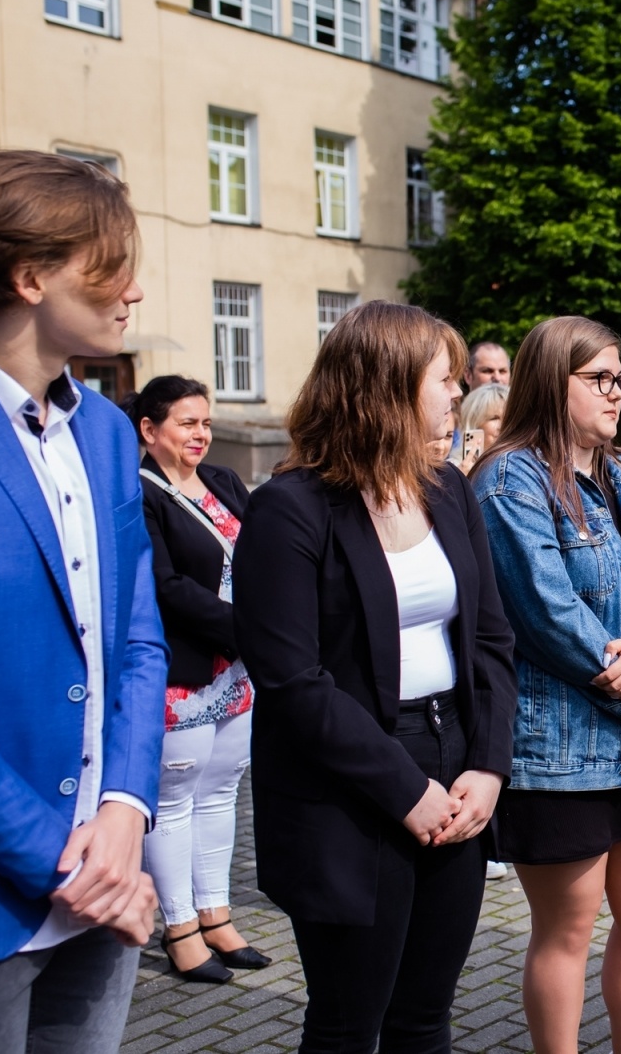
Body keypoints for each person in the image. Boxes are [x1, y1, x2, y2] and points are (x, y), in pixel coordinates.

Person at [232, 300, 518, 1053]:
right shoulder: (289, 509)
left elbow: (490, 638)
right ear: (383, 388)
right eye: (444, 379)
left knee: (426, 1019)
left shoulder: (448, 489)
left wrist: (488, 765)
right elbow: (293, 681)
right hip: (349, 789)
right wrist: (404, 790)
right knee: (347, 1025)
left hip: (454, 767)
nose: (459, 395)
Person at [470, 316, 621, 1054]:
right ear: (550, 379)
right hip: (559, 747)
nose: (615, 392)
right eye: (598, 378)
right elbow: (545, 611)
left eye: (619, 378)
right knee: (565, 932)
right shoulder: (510, 478)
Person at [0, 150, 165, 1053]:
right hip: (11, 888)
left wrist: (127, 810)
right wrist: (59, 860)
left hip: (108, 869)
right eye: (108, 266)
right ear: (29, 277)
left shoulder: (101, 429)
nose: (132, 289)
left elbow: (136, 639)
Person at [130, 375, 268, 984]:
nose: (201, 434)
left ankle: (216, 914)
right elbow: (165, 588)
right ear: (149, 430)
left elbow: (261, 554)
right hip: (184, 671)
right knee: (173, 802)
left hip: (236, 671)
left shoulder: (224, 481)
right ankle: (179, 926)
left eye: (206, 422)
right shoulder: (139, 493)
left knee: (221, 791)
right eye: (187, 423)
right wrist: (250, 628)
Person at [455, 381, 508, 476]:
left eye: (508, 418)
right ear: (473, 423)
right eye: (494, 418)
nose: (503, 425)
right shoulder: (455, 469)